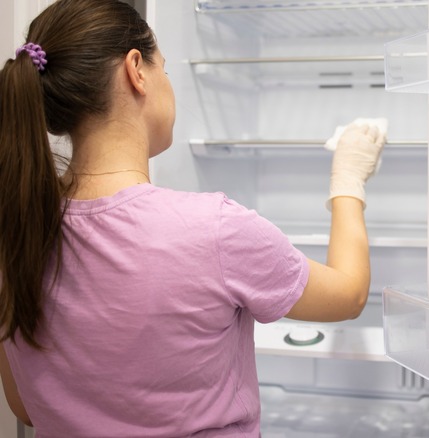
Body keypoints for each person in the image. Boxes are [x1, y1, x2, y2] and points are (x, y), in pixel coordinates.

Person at [0, 0, 384, 435]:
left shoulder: (17, 234)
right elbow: (349, 295)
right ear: (136, 71)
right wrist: (348, 180)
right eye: (164, 68)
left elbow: (25, 405)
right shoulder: (213, 230)